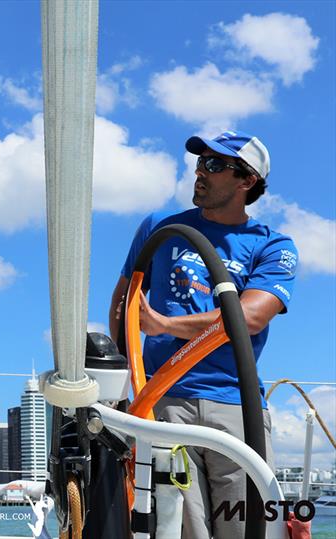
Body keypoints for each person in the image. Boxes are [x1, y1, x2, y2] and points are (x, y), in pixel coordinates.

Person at [108, 130, 297, 539]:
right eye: (199, 163)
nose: (200, 172)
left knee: (246, 528)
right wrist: (126, 380)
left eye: (214, 165)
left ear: (247, 181)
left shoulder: (274, 245)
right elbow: (124, 302)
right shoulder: (160, 227)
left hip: (235, 402)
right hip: (163, 399)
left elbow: (248, 317)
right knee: (179, 527)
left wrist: (164, 326)